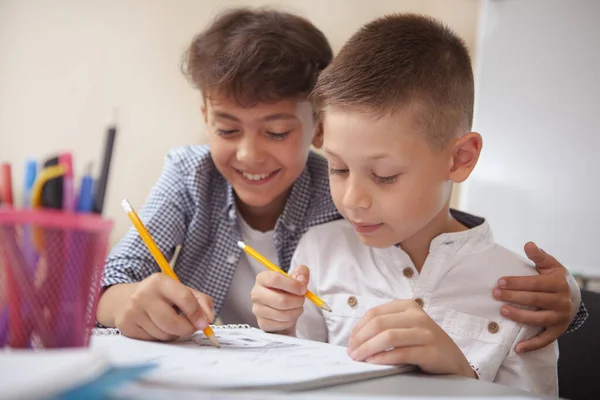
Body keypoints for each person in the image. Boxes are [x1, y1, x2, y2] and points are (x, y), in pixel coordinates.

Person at [96, 7, 585, 349]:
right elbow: (107, 282)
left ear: (319, 127)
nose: (249, 153)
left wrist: (574, 303)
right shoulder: (189, 174)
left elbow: (431, 235)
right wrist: (124, 306)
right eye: (226, 128)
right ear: (204, 115)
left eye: (278, 130)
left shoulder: (341, 194)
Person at [251, 13, 564, 395]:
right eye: (338, 168)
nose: (352, 201)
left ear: (460, 158)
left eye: (384, 176)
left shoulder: (527, 295)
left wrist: (460, 376)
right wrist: (281, 330)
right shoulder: (319, 251)